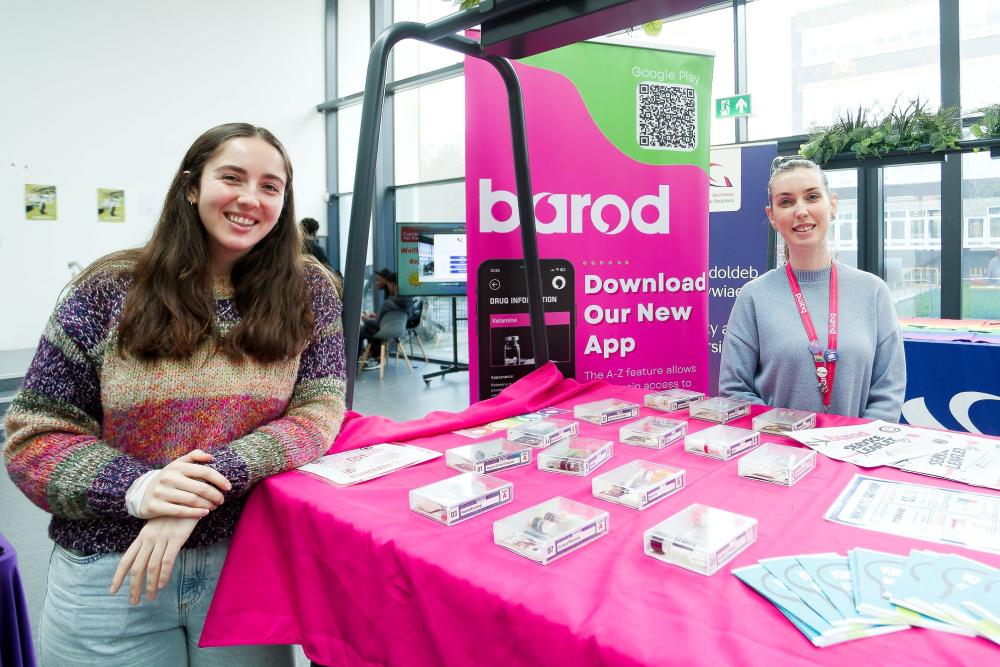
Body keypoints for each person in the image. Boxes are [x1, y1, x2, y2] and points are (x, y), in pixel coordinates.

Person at [3, 123, 346, 666]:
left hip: (245, 566)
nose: (249, 199)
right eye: (231, 178)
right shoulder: (108, 290)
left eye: (270, 186)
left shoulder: (307, 290)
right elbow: (34, 437)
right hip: (111, 576)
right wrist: (138, 489)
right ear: (191, 186)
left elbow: (320, 410)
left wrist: (203, 486)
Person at [719, 156, 906, 421]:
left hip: (853, 455)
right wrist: (789, 441)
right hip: (777, 455)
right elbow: (734, 390)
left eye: (812, 197)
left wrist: (853, 447)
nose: (801, 210)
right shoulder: (754, 296)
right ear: (772, 216)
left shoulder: (873, 291)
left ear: (832, 205)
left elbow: (888, 392)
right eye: (786, 201)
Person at [358, 269, 412, 370]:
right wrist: (379, 318)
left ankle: (359, 359)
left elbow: (378, 323)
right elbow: (388, 317)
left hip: (383, 330)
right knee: (370, 327)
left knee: (362, 329)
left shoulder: (388, 302)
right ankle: (374, 356)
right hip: (398, 331)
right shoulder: (408, 303)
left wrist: (366, 319)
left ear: (392, 284)